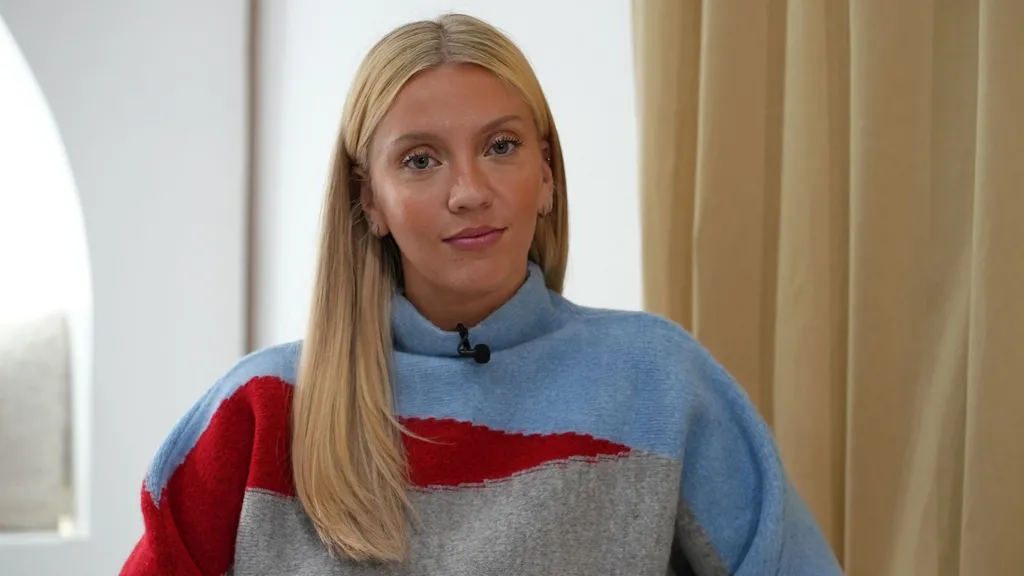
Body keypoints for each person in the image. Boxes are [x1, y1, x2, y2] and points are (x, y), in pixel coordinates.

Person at [120, 13, 842, 576]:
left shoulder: (658, 382)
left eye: (501, 146)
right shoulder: (257, 412)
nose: (469, 192)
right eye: (420, 160)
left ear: (548, 174)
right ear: (367, 201)